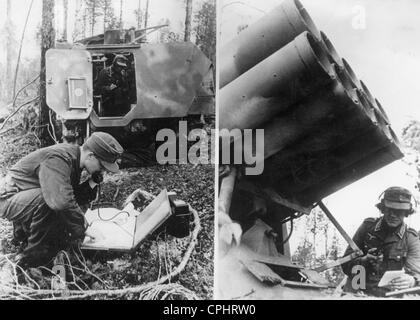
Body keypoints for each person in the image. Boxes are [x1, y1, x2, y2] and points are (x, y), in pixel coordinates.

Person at [0, 132, 123, 268]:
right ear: (91, 156)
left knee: (57, 203)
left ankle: (35, 245)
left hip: (26, 198)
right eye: (102, 166)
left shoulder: (75, 159)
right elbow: (60, 201)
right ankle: (30, 260)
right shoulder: (60, 158)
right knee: (50, 200)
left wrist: (92, 182)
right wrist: (85, 227)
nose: (103, 171)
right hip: (9, 198)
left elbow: (71, 196)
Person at [342, 187, 420, 297]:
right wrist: (364, 261)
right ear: (383, 208)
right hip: (357, 293)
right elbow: (345, 265)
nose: (393, 215)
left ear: (406, 213)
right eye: (389, 210)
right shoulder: (367, 227)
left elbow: (417, 274)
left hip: (387, 296)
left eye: (398, 211)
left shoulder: (410, 238)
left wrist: (412, 281)